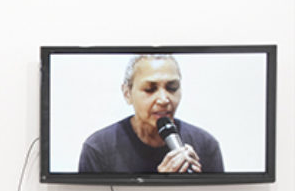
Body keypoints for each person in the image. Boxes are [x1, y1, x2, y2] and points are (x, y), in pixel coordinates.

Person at [78, 54, 223, 174]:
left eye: (172, 88)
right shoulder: (99, 148)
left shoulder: (206, 145)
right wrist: (161, 181)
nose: (164, 99)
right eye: (150, 89)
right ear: (127, 93)